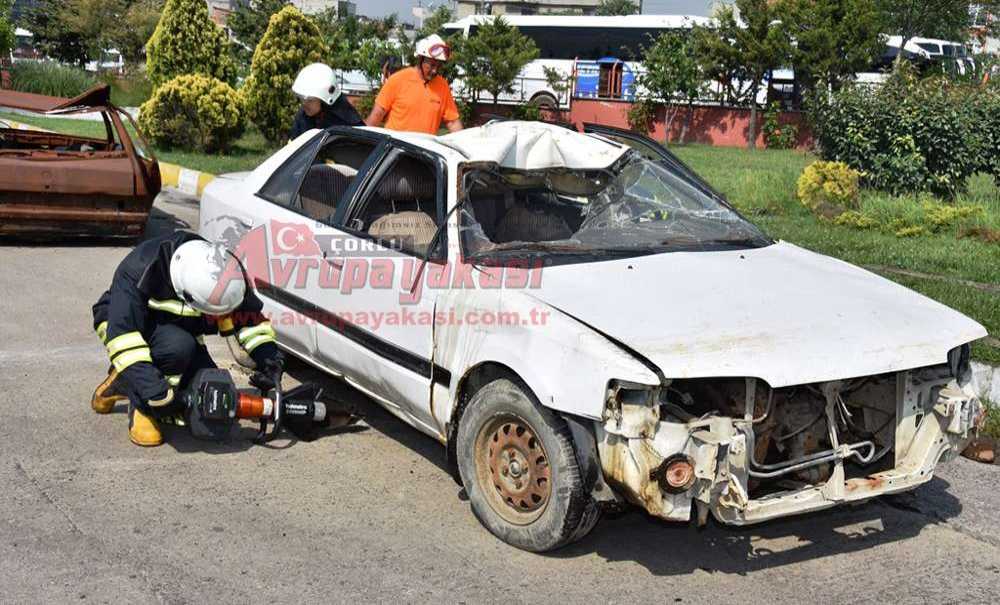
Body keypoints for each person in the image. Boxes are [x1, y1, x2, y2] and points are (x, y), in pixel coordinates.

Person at [90, 231, 284, 447]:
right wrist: (156, 393)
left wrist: (270, 360)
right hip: (123, 324)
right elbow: (125, 341)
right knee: (177, 348)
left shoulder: (225, 270)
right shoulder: (141, 267)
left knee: (210, 384)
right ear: (187, 296)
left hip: (180, 329)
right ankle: (142, 405)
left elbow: (250, 320)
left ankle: (124, 380)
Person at [365, 34, 463, 135]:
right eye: (432, 65)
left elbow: (453, 122)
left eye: (439, 66)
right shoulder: (398, 80)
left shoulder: (442, 86)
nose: (435, 71)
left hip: (423, 149)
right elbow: (377, 115)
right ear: (420, 59)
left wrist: (464, 145)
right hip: (396, 147)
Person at [289, 63, 363, 140]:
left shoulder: (346, 123)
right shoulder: (303, 117)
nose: (304, 104)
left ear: (325, 100)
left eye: (310, 100)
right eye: (301, 98)